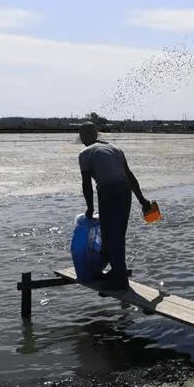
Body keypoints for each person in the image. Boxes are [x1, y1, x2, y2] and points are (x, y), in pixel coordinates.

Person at [78, 122, 152, 290]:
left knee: (112, 236)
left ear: (83, 136)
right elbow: (130, 176)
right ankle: (117, 271)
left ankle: (120, 280)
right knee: (116, 234)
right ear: (96, 134)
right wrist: (142, 200)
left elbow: (86, 184)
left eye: (81, 135)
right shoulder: (115, 149)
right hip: (125, 192)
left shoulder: (85, 153)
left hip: (109, 192)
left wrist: (89, 208)